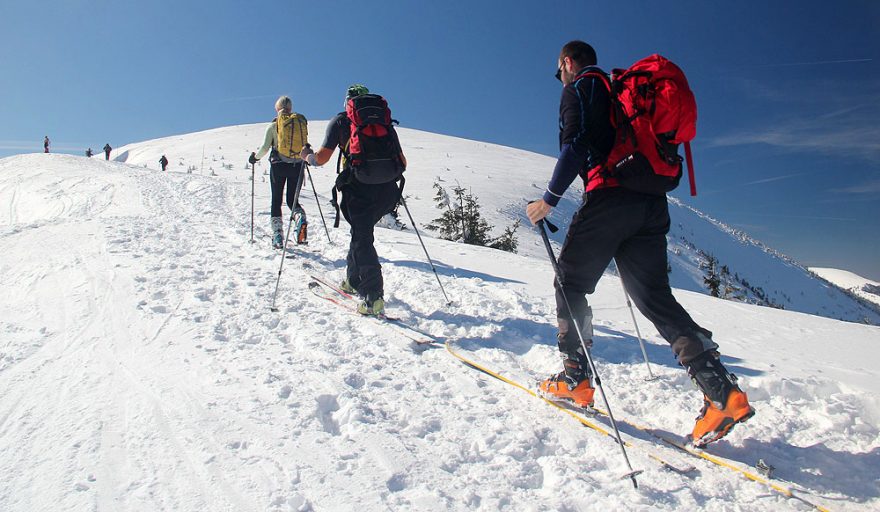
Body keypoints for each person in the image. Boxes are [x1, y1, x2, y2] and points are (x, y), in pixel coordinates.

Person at [525, 40, 754, 447]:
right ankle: (721, 391)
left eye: (558, 69)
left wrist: (549, 199)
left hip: (610, 197)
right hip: (651, 204)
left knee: (569, 283)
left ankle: (575, 378)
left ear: (566, 62)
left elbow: (576, 145)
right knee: (654, 297)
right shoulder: (619, 90)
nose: (559, 77)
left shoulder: (579, 87)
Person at [300, 84, 407, 316]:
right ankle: (352, 279)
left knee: (362, 237)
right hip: (388, 190)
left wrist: (306, 156)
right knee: (360, 234)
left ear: (348, 103)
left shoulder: (340, 122)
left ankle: (373, 296)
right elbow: (403, 162)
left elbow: (321, 159)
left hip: (359, 188)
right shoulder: (384, 123)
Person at [249, 95, 309, 248]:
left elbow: (264, 148)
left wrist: (255, 158)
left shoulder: (274, 126)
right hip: (297, 166)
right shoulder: (298, 123)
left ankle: (277, 236)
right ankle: (300, 218)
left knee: (276, 201)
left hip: (278, 166)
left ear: (277, 109)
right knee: (291, 200)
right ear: (291, 109)